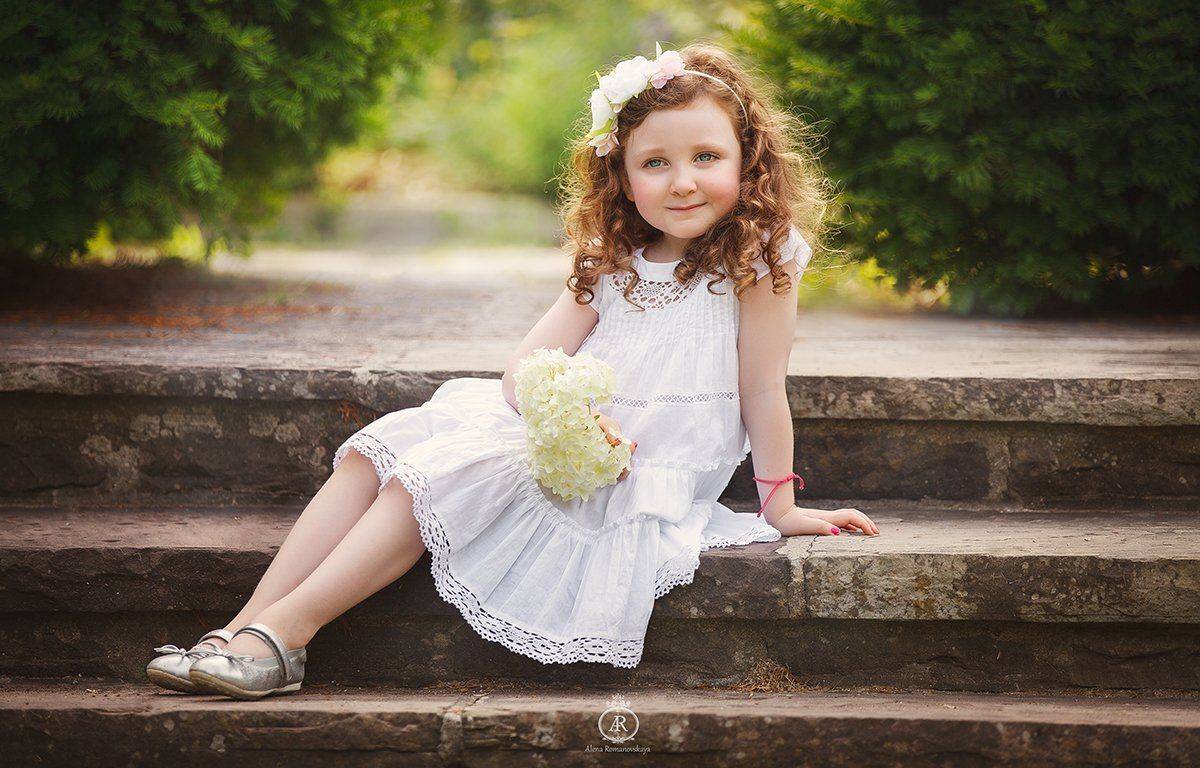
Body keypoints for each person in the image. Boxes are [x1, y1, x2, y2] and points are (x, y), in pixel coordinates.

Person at [145, 40, 879, 700]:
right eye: (655, 163)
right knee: (376, 456)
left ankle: (284, 637)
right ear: (622, 179)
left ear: (747, 158)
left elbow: (760, 388)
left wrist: (778, 505)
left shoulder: (759, 257)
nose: (683, 181)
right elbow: (523, 367)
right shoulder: (615, 261)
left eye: (706, 158)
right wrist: (562, 419)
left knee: (429, 478)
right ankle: (239, 633)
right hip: (567, 443)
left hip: (640, 471)